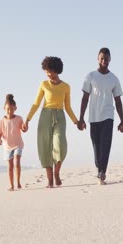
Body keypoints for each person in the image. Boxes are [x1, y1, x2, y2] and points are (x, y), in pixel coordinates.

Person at [23, 56, 78, 188]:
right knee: (45, 147)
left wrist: (76, 121)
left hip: (60, 116)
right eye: (46, 71)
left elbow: (68, 107)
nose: (48, 73)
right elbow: (36, 103)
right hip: (45, 116)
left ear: (57, 70)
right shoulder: (44, 84)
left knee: (60, 144)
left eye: (50, 71)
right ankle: (50, 181)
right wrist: (27, 120)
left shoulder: (66, 87)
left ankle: (57, 172)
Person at [78, 47, 123, 185]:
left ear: (110, 59)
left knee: (106, 144)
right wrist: (80, 118)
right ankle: (99, 168)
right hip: (93, 116)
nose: (104, 60)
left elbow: (118, 100)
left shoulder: (114, 79)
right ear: (98, 59)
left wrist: (122, 120)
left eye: (106, 58)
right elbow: (85, 98)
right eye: (101, 58)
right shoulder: (90, 76)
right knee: (96, 145)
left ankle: (102, 172)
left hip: (108, 115)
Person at [0, 94, 27, 191]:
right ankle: (11, 185)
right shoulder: (2, 120)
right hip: (7, 146)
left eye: (12, 109)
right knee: (10, 166)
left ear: (15, 108)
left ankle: (18, 182)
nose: (9, 111)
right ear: (4, 108)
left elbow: (23, 129)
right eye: (8, 109)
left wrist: (25, 127)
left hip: (18, 144)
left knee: (16, 161)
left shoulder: (19, 118)